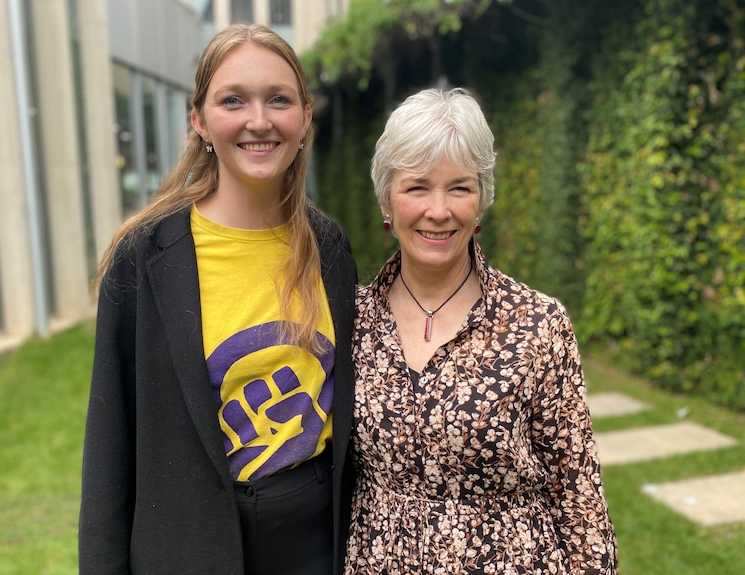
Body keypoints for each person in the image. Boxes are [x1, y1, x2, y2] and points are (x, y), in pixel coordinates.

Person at [79, 24, 357, 575]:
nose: (259, 120)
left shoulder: (329, 247)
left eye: (278, 99)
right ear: (200, 121)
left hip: (318, 541)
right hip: (188, 544)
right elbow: (109, 449)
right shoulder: (144, 257)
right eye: (234, 100)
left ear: (304, 118)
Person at [345, 88, 617, 574]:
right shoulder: (351, 319)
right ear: (387, 199)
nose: (439, 209)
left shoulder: (538, 324)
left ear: (481, 200)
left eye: (459, 187)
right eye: (417, 187)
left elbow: (578, 496)